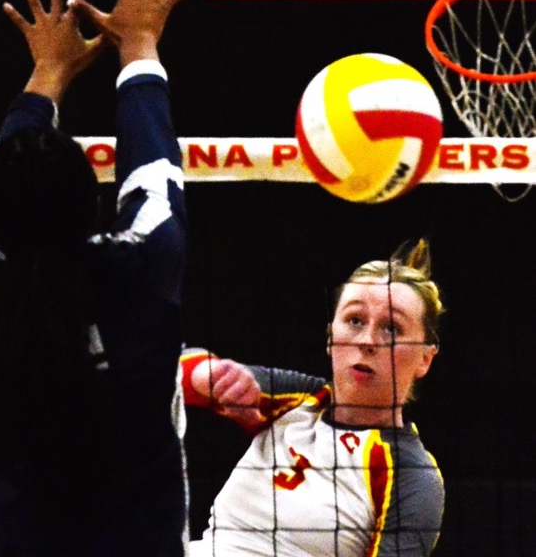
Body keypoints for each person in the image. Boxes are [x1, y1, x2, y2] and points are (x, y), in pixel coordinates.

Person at [0, 0, 197, 556]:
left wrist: (47, 73)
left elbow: (1, 180)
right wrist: (138, 44)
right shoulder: (139, 269)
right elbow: (152, 169)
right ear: (94, 209)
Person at [182, 239, 445, 557]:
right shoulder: (298, 398)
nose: (367, 341)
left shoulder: (411, 475)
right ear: (331, 337)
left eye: (391, 328)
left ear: (424, 360)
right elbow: (170, 374)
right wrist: (207, 374)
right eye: (355, 320)